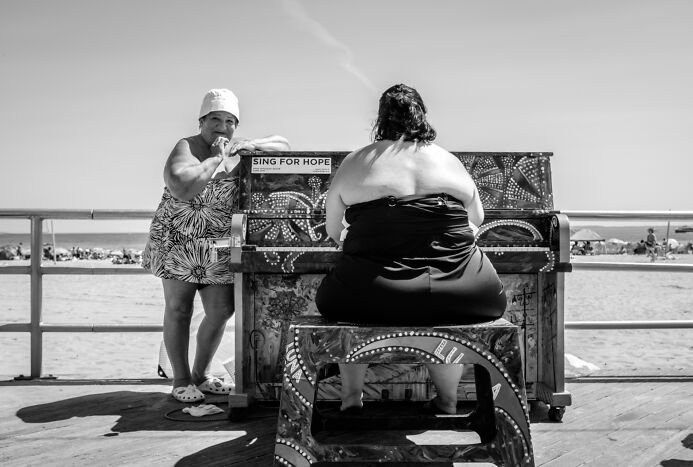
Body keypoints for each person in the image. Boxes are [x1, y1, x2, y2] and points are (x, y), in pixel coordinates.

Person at [315, 84, 506, 415]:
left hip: (374, 292)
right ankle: (447, 401)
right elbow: (477, 219)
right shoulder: (448, 161)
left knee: (344, 305)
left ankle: (352, 400)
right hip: (466, 293)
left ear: (380, 120)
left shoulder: (355, 162)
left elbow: (333, 230)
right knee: (443, 315)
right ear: (422, 115)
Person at [142, 89, 290, 403]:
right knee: (179, 309)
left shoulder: (237, 147)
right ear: (201, 121)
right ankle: (181, 381)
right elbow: (183, 186)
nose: (222, 126)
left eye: (229, 121)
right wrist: (215, 158)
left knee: (222, 309)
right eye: (215, 119)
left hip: (219, 243)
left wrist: (251, 145)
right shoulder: (187, 146)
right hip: (179, 239)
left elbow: (283, 145)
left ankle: (201, 374)